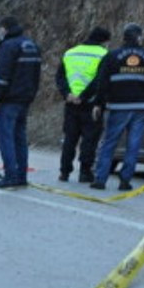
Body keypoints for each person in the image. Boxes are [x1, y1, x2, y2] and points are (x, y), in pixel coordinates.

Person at [89, 23, 144, 191]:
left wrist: (98, 103)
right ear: (139, 37)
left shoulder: (112, 56)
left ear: (124, 37)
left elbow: (102, 82)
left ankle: (100, 179)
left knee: (109, 143)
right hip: (141, 108)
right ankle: (125, 181)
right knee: (133, 145)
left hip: (118, 107)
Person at [0, 15, 42, 189]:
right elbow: (36, 75)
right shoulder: (31, 45)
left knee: (6, 138)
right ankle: (21, 176)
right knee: (20, 137)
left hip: (9, 99)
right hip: (25, 98)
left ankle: (10, 175)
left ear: (5, 28)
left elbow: (1, 76)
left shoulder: (8, 46)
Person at [56, 26, 111, 183]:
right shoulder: (104, 54)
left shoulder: (70, 52)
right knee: (89, 139)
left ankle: (64, 172)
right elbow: (100, 81)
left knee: (70, 139)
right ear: (104, 41)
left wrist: (67, 94)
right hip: (91, 104)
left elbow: (60, 77)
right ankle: (85, 172)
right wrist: (85, 97)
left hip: (71, 103)